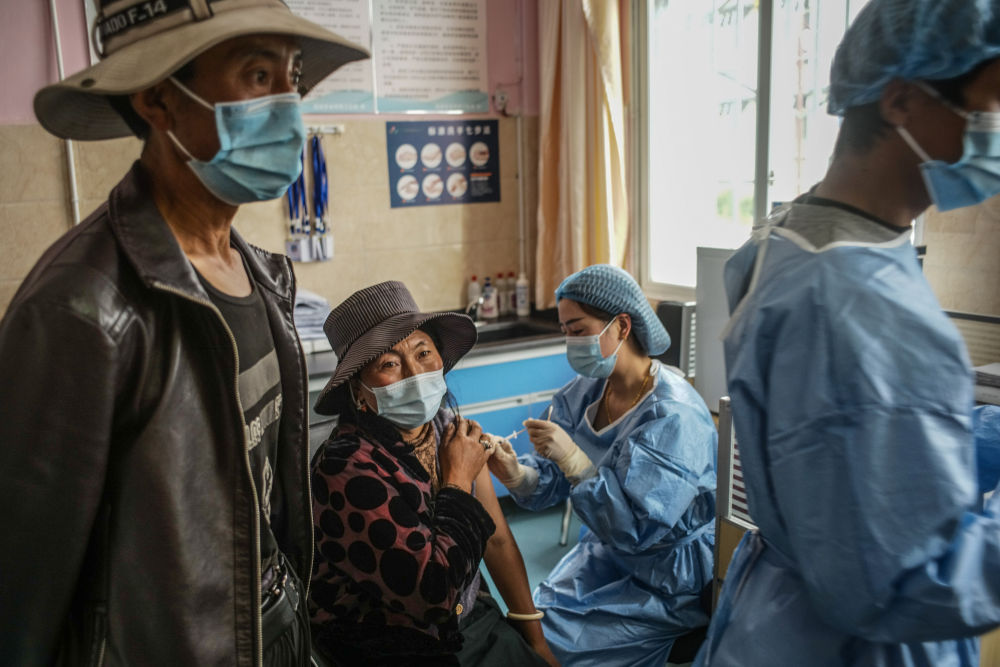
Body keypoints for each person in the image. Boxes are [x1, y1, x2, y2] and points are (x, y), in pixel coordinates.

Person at [0, 2, 368, 665]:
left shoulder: (261, 277)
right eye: (257, 75)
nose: (288, 105)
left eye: (291, 76)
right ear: (159, 99)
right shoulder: (83, 308)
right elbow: (21, 589)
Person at [694, 1, 1000, 665]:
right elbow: (903, 579)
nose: (996, 133)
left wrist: (978, 433)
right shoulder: (857, 300)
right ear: (900, 100)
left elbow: (861, 437)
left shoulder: (789, 237)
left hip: (775, 610)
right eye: (990, 106)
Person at [308, 281, 559, 667]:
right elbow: (433, 594)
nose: (414, 372)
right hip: (389, 642)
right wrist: (458, 478)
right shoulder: (345, 469)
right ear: (358, 391)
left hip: (467, 618)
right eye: (389, 364)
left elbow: (496, 541)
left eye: (423, 352)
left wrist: (535, 642)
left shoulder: (448, 429)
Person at [488, 264, 718, 667]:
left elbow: (637, 529)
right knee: (530, 628)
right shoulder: (586, 392)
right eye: (565, 332)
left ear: (622, 326)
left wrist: (575, 461)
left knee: (551, 651)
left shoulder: (673, 416)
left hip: (666, 578)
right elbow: (552, 479)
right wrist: (518, 474)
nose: (570, 343)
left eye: (578, 330)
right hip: (603, 555)